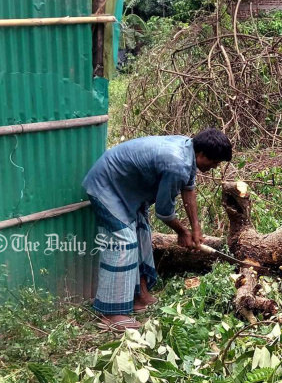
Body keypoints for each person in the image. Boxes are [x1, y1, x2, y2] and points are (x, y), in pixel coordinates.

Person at [82, 128, 232, 331]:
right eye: (214, 163)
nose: (214, 167)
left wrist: (196, 228)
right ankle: (111, 313)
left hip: (128, 189)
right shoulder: (176, 163)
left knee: (143, 234)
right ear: (202, 154)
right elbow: (164, 211)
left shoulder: (188, 151)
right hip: (106, 186)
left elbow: (189, 188)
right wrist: (182, 232)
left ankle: (139, 296)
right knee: (123, 243)